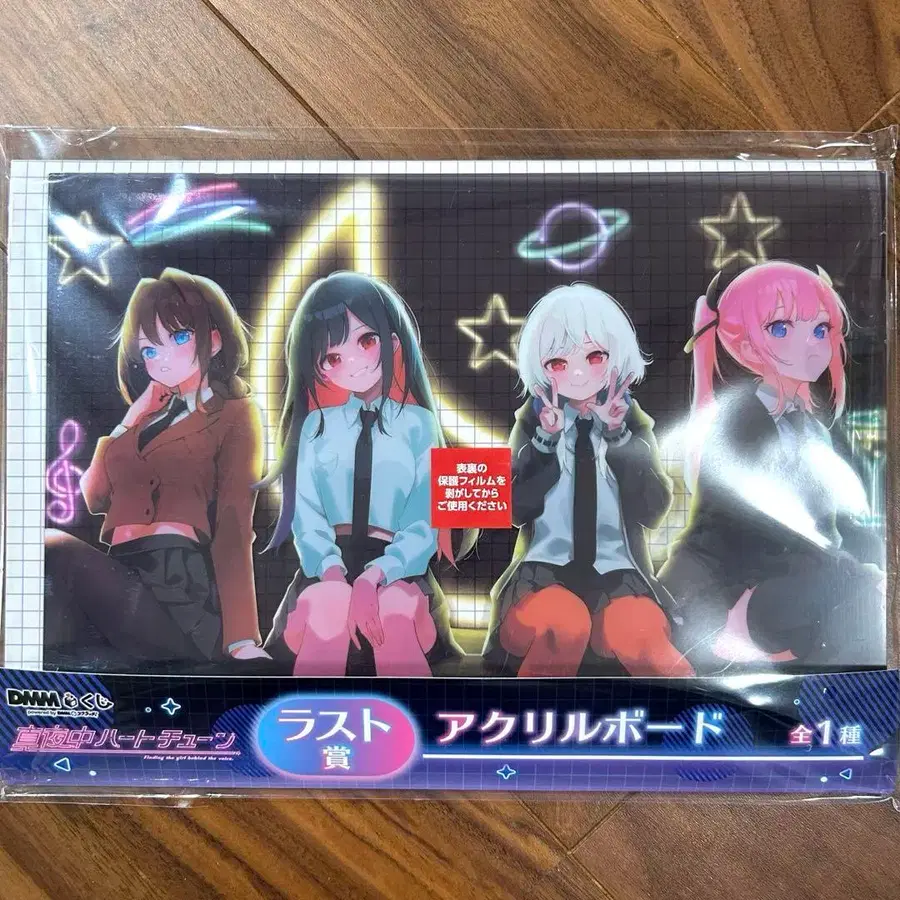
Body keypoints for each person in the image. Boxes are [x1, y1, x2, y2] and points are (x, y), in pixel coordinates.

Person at [659, 261, 885, 670]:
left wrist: (879, 560)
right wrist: (854, 572)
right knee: (854, 601)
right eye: (780, 329)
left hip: (799, 583)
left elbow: (838, 521)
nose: (809, 344)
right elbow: (759, 527)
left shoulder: (816, 427)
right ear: (745, 346)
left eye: (820, 329)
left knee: (865, 604)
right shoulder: (737, 421)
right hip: (736, 586)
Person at [45, 268, 268, 672]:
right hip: (124, 570)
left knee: (53, 548)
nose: (161, 358)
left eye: (178, 337)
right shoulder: (144, 420)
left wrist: (241, 639)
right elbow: (94, 497)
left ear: (215, 340)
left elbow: (235, 521)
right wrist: (130, 419)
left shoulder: (236, 413)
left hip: (180, 590)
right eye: (149, 350)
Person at [484, 283, 693, 677]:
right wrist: (544, 442)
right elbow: (514, 509)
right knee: (563, 623)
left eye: (595, 356)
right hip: (542, 575)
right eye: (558, 363)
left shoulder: (630, 423)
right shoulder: (533, 423)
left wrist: (618, 438)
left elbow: (652, 509)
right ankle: (527, 718)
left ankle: (705, 715)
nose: (578, 372)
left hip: (618, 578)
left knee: (642, 634)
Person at [262, 271, 462, 676]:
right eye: (333, 357)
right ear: (319, 368)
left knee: (394, 609)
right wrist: (334, 575)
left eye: (366, 341)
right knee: (329, 604)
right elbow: (307, 519)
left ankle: (415, 717)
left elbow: (422, 522)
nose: (352, 362)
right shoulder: (314, 428)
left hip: (401, 571)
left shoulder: (419, 425)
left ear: (393, 343)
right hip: (325, 569)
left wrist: (374, 578)